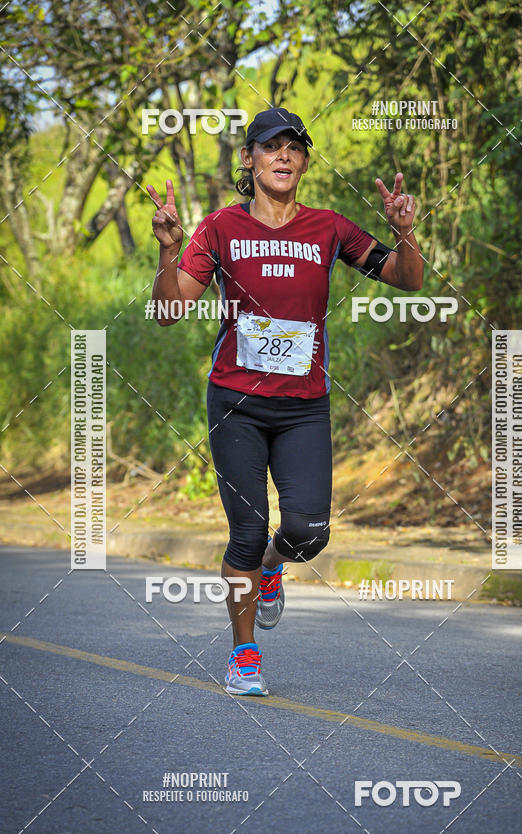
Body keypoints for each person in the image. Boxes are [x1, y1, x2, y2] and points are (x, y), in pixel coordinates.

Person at [148, 107, 423, 696]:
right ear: (248, 159)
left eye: (294, 147)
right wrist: (171, 250)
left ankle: (274, 567)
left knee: (307, 532)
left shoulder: (329, 228)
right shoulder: (221, 228)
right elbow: (171, 312)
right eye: (269, 146)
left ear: (304, 161)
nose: (283, 155)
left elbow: (407, 279)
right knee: (245, 531)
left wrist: (403, 233)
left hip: (303, 405)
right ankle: (244, 654)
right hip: (235, 403)